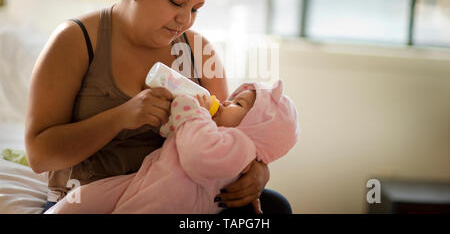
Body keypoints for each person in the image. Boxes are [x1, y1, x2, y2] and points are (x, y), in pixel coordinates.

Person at [24, 0, 291, 214]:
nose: (185, 20)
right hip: (93, 201)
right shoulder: (76, 42)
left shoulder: (199, 51)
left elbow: (228, 133)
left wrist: (258, 169)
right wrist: (122, 117)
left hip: (178, 199)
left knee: (275, 207)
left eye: (196, 9)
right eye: (176, 3)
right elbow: (39, 155)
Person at [44, 80, 299, 214]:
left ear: (255, 127)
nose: (224, 102)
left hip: (168, 200)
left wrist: (191, 111)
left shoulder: (239, 144)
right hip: (145, 178)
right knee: (84, 199)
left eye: (237, 104)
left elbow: (199, 155)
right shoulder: (224, 134)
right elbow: (183, 136)